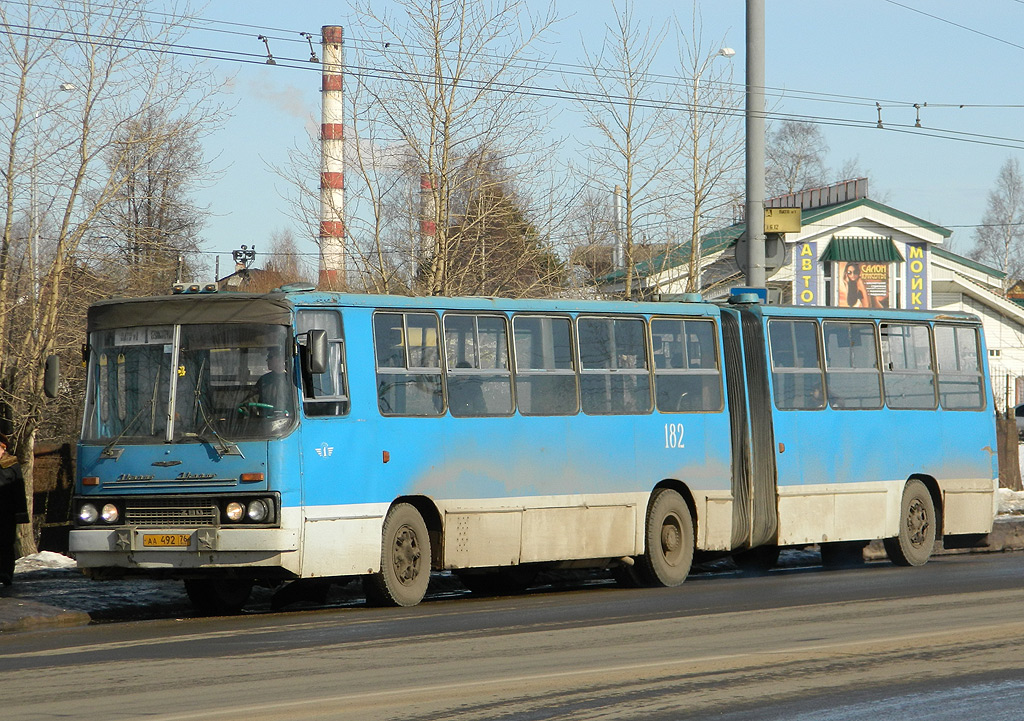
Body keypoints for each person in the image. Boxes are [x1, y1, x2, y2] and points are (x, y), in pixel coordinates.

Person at [0, 434, 29, 587]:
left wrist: (21, 513)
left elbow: (18, 490)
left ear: (3, 449)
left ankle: (6, 572)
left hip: (6, 512)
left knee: (6, 542)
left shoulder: (11, 465)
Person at [255, 347, 290, 412]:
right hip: (266, 420)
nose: (267, 360)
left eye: (270, 357)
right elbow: (253, 398)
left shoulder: (294, 382)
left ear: (281, 359)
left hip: (288, 420)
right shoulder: (263, 380)